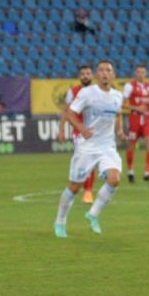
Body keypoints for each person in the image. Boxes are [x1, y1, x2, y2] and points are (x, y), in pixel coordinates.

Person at [53, 60, 124, 238]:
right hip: (88, 146)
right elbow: (69, 113)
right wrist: (81, 129)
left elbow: (118, 114)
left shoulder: (117, 96)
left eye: (109, 70)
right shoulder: (87, 93)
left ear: (113, 75)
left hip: (108, 145)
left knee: (114, 179)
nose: (105, 73)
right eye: (101, 70)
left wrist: (120, 130)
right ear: (96, 75)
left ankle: (92, 214)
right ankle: (60, 221)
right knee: (75, 187)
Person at [58, 64, 98, 204]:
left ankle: (88, 191)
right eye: (83, 74)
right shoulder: (73, 91)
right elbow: (66, 111)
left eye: (88, 73)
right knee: (84, 161)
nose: (85, 76)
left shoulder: (98, 91)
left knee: (92, 162)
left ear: (92, 76)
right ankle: (81, 187)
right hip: (79, 132)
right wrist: (62, 129)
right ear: (79, 77)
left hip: (95, 132)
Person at [122, 64, 149, 183]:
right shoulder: (129, 86)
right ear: (135, 73)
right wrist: (136, 108)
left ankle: (147, 173)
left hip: (147, 119)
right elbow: (123, 104)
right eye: (138, 72)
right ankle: (130, 171)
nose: (141, 74)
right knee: (131, 145)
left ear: (146, 73)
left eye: (143, 72)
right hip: (135, 119)